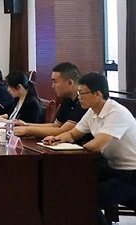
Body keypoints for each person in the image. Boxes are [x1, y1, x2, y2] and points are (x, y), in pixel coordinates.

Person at [43, 72, 136, 225]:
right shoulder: (92, 111)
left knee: (85, 198)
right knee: (70, 187)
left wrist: (79, 146)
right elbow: (73, 134)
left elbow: (97, 145)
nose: (79, 97)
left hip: (130, 174)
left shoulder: (116, 112)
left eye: (82, 93)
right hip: (112, 169)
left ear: (98, 94)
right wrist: (56, 139)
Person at [14, 62, 90, 140]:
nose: (52, 86)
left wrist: (28, 130)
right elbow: (55, 126)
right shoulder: (67, 99)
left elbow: (63, 131)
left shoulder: (83, 101)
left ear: (70, 83)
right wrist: (26, 125)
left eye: (55, 82)